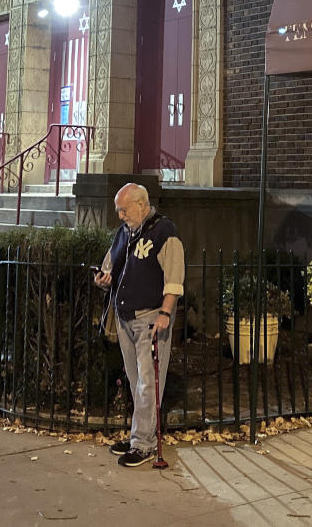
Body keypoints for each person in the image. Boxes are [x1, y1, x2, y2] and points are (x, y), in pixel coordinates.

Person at [94, 183, 184, 468]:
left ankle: (143, 444)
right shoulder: (124, 233)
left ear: (142, 205)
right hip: (125, 317)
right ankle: (138, 436)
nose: (120, 215)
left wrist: (165, 313)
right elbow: (109, 267)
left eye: (124, 209)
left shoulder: (164, 232)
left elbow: (174, 279)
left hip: (150, 319)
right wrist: (102, 279)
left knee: (149, 383)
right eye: (118, 210)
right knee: (136, 380)